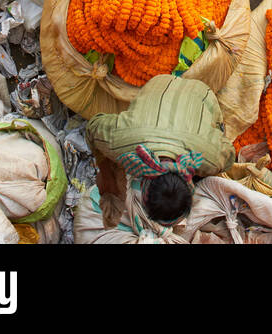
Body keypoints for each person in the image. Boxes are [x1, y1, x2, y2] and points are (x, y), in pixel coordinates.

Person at [86, 76, 233, 233]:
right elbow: (92, 126)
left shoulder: (210, 158)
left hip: (191, 90)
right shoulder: (120, 143)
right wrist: (108, 177)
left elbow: (229, 154)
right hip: (166, 86)